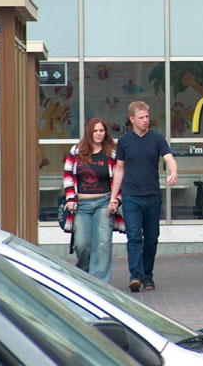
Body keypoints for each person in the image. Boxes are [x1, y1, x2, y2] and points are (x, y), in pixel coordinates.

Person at [110, 101, 178, 292]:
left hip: (153, 196)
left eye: (147, 116)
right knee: (133, 237)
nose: (146, 120)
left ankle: (147, 274)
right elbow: (120, 169)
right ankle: (135, 276)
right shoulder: (124, 141)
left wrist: (173, 172)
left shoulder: (157, 139)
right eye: (141, 117)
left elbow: (169, 158)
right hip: (131, 196)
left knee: (151, 238)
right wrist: (114, 197)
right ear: (132, 119)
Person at [63, 118, 122, 282]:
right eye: (95, 131)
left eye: (101, 131)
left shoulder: (111, 153)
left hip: (104, 202)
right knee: (82, 244)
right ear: (89, 132)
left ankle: (99, 282)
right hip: (81, 205)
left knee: (103, 243)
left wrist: (115, 200)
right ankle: (85, 276)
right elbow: (68, 174)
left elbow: (119, 177)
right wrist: (70, 198)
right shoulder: (76, 151)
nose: (98, 134)